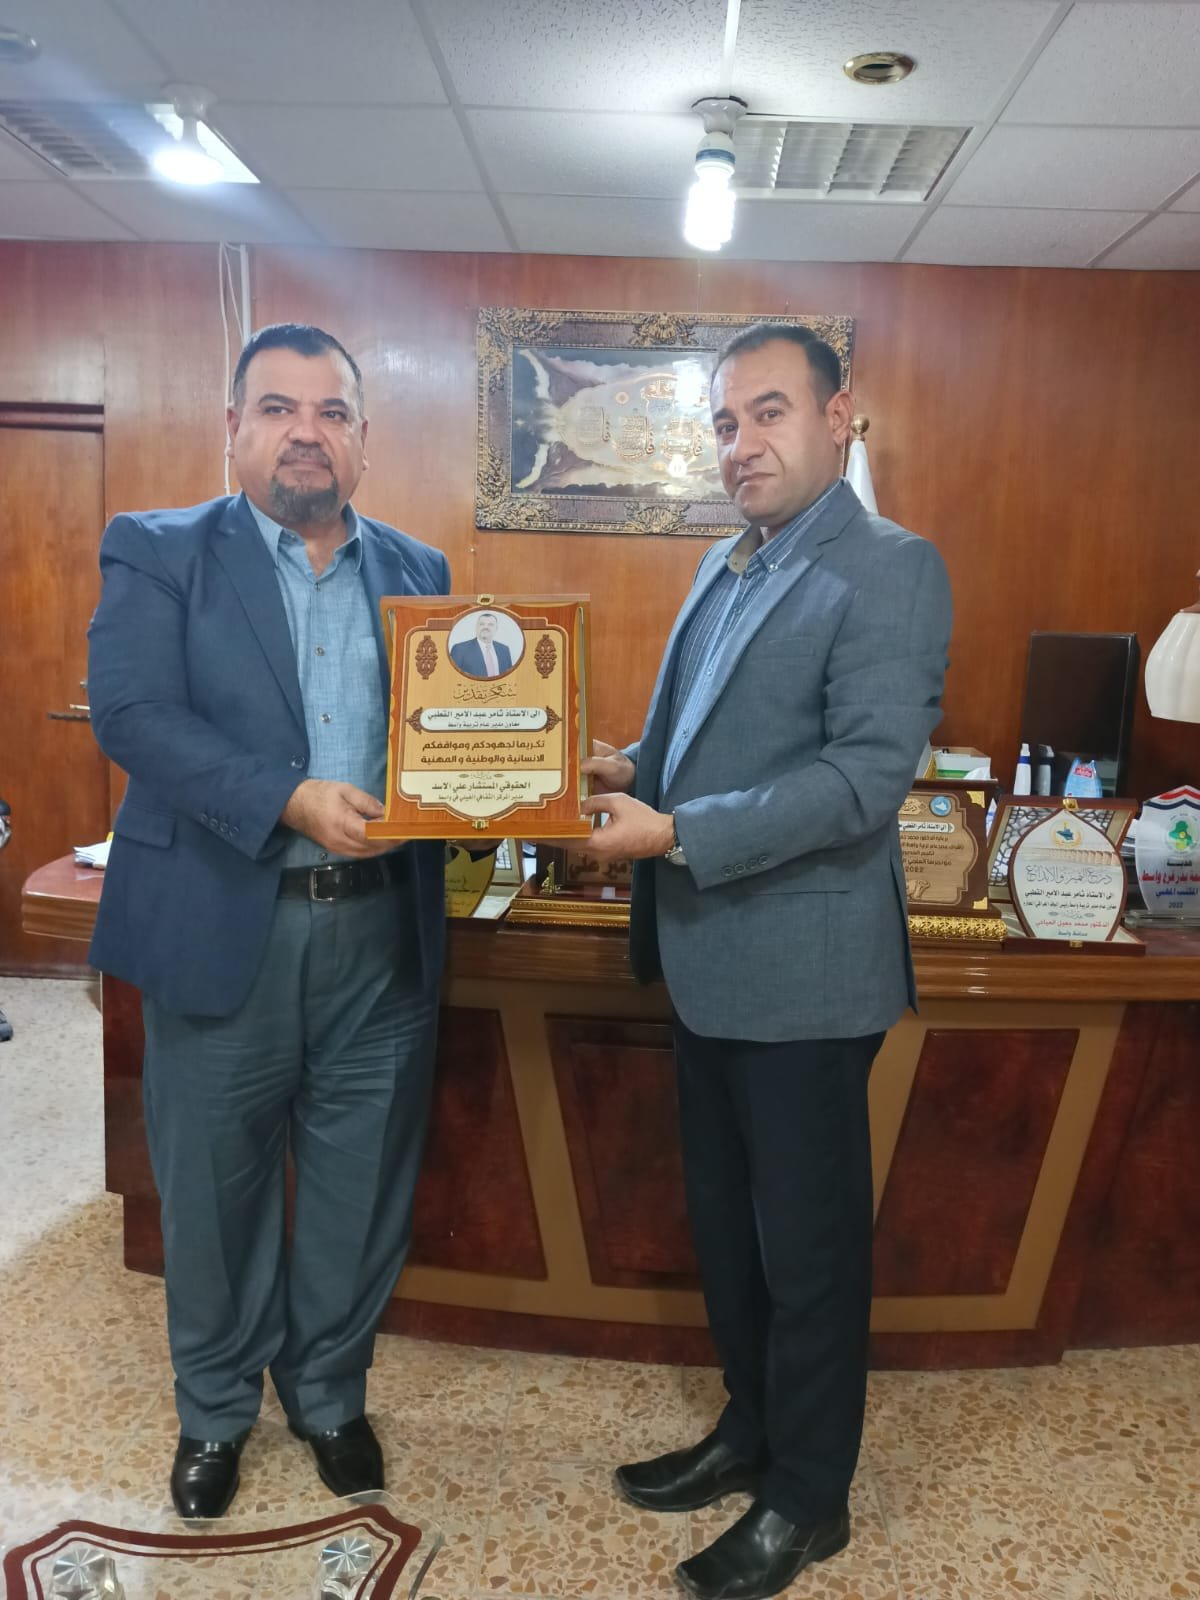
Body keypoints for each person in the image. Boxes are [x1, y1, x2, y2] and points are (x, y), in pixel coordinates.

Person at [580, 323, 953, 1600]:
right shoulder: (725, 561)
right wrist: (624, 768)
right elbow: (693, 737)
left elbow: (859, 781)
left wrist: (674, 831)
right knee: (732, 1242)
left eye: (770, 412)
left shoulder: (891, 568)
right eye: (726, 422)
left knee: (808, 1253)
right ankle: (751, 1428)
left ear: (840, 416)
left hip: (807, 977)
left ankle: (810, 1496)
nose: (741, 444)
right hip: (705, 962)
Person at [87, 323, 451, 1521]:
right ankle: (214, 1411)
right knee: (212, 1190)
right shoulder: (159, 550)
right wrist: (288, 799)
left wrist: (526, 775)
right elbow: (133, 713)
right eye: (280, 407)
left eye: (332, 410)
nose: (307, 430)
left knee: (359, 1186)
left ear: (363, 437)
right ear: (234, 427)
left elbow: (453, 735)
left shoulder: (421, 569)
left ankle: (330, 1394)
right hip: (221, 927)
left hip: (379, 940)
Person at [450, 610, 512, 677]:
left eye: (490, 624)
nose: (486, 627)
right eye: (482, 624)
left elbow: (510, 676)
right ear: (476, 627)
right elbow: (452, 677)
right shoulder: (460, 649)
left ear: (496, 628)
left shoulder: (504, 650)